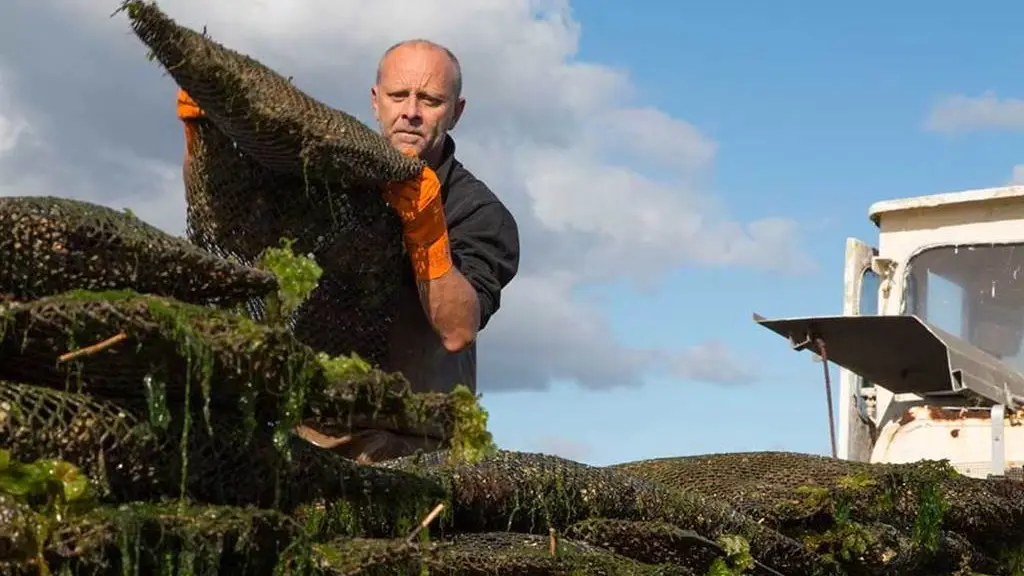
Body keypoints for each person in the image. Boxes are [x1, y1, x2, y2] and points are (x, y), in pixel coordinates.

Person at [175, 40, 520, 461]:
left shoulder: (481, 213)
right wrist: (201, 144)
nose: (411, 111)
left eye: (430, 100)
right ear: (376, 102)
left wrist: (428, 231)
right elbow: (230, 225)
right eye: (398, 96)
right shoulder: (329, 179)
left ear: (456, 112)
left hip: (415, 444)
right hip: (308, 430)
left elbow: (458, 329)